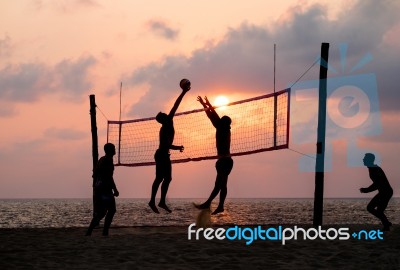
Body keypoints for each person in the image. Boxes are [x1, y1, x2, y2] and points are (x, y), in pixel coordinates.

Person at [148, 80, 191, 214]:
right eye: (164, 115)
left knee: (166, 178)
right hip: (161, 154)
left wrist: (183, 92)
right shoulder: (165, 127)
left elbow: (175, 106)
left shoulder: (168, 122)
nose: (167, 115)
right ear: (162, 119)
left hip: (163, 154)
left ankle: (160, 201)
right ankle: (153, 201)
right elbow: (166, 145)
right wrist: (178, 147)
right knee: (160, 178)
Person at [195, 96, 233, 215]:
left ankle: (208, 203)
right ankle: (220, 206)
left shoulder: (222, 128)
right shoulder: (223, 128)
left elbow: (212, 116)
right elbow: (213, 116)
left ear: (223, 122)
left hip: (225, 161)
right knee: (222, 185)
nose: (219, 120)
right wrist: (207, 104)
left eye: (221, 119)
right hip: (225, 160)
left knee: (219, 185)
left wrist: (205, 105)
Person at [86, 143, 119, 236]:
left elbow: (94, 174)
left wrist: (96, 187)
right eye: (113, 148)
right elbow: (109, 177)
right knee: (111, 210)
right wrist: (115, 189)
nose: (115, 150)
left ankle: (89, 232)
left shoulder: (101, 159)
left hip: (99, 188)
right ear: (108, 150)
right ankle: (104, 232)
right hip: (104, 189)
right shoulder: (108, 160)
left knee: (102, 212)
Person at [360, 153, 393, 231]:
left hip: (386, 192)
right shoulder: (372, 168)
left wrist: (366, 190)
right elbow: (377, 183)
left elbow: (378, 183)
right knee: (375, 209)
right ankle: (386, 224)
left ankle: (386, 225)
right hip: (383, 192)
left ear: (369, 160)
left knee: (374, 209)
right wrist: (367, 190)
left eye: (365, 158)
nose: (363, 160)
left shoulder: (375, 168)